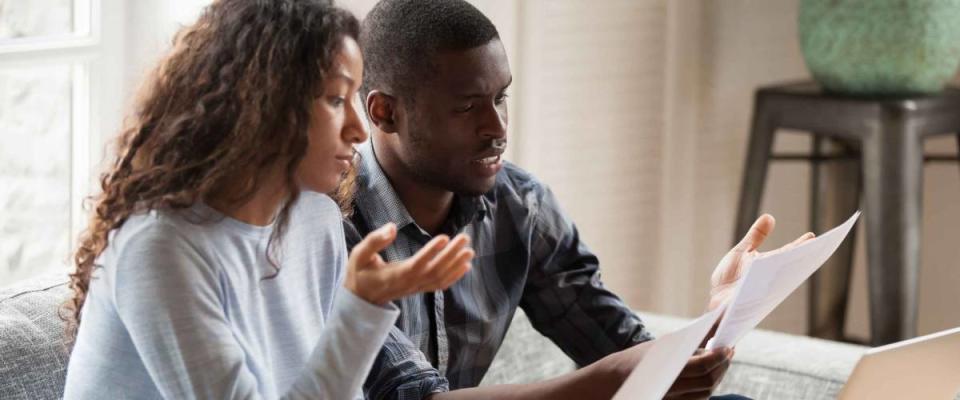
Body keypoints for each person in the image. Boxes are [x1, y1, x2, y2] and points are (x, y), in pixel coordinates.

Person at [347, 1, 813, 399]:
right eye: (468, 106)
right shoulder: (334, 226)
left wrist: (722, 315)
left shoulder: (519, 205)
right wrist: (611, 379)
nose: (498, 128)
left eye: (501, 98)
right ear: (385, 113)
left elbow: (629, 359)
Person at [61, 1, 473, 398]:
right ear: (266, 101)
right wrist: (360, 309)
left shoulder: (316, 219)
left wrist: (361, 308)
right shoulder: (159, 249)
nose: (358, 130)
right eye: (335, 99)